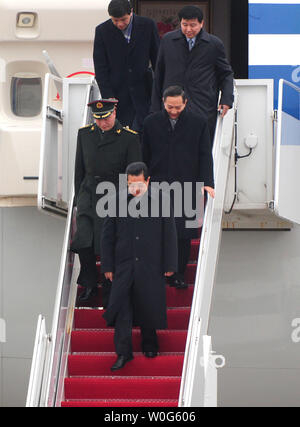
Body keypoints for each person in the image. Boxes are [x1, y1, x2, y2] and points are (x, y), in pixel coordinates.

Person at [100, 162, 178, 370]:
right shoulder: (116, 201)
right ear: (127, 181)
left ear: (148, 181)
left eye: (139, 185)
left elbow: (169, 234)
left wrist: (170, 263)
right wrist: (107, 265)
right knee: (122, 309)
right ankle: (123, 353)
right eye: (131, 184)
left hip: (151, 263)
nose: (135, 189)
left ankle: (150, 344)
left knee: (148, 304)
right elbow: (107, 235)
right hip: (123, 265)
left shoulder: (160, 201)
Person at [143, 85, 214, 289]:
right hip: (157, 186)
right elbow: (144, 155)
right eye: (169, 107)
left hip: (188, 185)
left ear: (185, 103)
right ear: (163, 103)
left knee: (183, 233)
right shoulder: (151, 123)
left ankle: (178, 273)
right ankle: (160, 271)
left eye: (178, 107)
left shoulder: (198, 123)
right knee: (158, 231)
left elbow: (204, 156)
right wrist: (142, 182)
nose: (173, 111)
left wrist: (208, 183)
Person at [71, 99, 142, 302]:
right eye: (98, 119)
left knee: (106, 243)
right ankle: (90, 284)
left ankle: (109, 287)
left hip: (114, 193)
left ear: (114, 112)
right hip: (88, 193)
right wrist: (78, 199)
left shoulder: (129, 138)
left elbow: (134, 173)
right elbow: (79, 169)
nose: (103, 123)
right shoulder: (84, 134)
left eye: (107, 117)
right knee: (83, 240)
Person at [151, 5, 234, 144]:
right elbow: (159, 74)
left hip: (202, 105)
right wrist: (155, 108)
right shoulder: (168, 40)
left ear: (202, 23)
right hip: (172, 105)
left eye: (193, 25)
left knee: (200, 148)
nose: (188, 29)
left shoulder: (213, 44)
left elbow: (226, 74)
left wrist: (226, 100)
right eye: (184, 25)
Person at [93, 0, 160, 132]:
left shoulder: (147, 25)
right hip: (117, 96)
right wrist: (109, 97)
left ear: (131, 12)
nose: (119, 24)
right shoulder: (102, 31)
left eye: (123, 19)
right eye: (115, 20)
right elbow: (100, 68)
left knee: (144, 134)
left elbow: (158, 60)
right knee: (120, 137)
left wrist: (158, 92)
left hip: (144, 93)